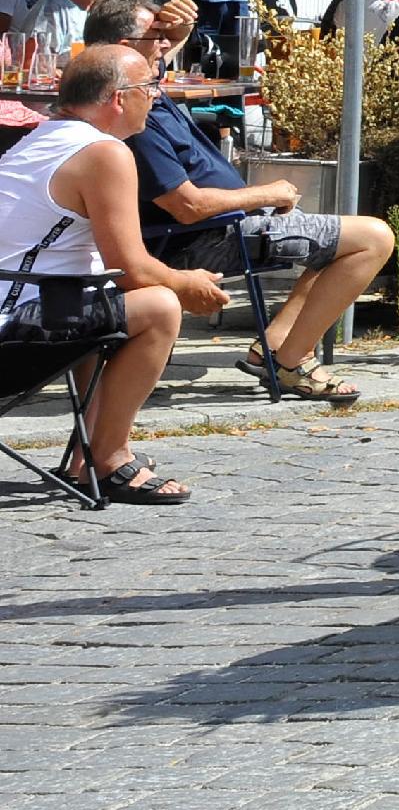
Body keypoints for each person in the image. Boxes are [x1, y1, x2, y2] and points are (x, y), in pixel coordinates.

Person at [82, 0, 394, 404]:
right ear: (124, 50)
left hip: (222, 224)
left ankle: (277, 346)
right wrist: (264, 192)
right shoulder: (136, 117)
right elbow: (186, 206)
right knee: (374, 237)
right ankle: (292, 361)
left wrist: (181, 28)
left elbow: (157, 50)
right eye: (155, 35)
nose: (164, 44)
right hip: (202, 239)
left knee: (339, 242)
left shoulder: (134, 89)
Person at [0, 43, 231, 502]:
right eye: (150, 86)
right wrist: (188, 284)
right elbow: (133, 270)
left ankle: (88, 456)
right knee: (159, 307)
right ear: (118, 98)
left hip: (22, 307)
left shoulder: (44, 137)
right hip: (9, 333)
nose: (158, 96)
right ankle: (108, 460)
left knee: (94, 297)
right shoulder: (104, 152)